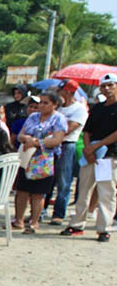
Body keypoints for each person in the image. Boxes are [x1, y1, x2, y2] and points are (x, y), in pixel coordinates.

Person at [62, 72, 117, 241]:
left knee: (106, 192)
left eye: (110, 85)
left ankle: (104, 228)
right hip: (90, 154)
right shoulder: (98, 108)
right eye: (104, 86)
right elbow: (87, 131)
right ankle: (77, 224)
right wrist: (88, 149)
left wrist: (96, 146)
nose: (107, 89)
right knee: (83, 190)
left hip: (108, 155)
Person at [14, 92, 67, 234]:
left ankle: (34, 222)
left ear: (54, 105)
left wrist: (37, 142)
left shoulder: (59, 119)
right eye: (40, 102)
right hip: (27, 156)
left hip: (45, 158)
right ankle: (18, 220)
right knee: (22, 189)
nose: (41, 106)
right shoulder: (33, 117)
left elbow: (57, 140)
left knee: (38, 192)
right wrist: (27, 139)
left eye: (45, 103)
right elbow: (21, 135)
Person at [51, 80, 89, 225]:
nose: (58, 94)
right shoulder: (58, 108)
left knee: (64, 181)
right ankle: (40, 211)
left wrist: (53, 131)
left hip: (67, 145)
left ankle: (59, 213)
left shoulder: (79, 110)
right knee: (48, 180)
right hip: (51, 145)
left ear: (67, 92)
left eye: (60, 91)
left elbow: (68, 129)